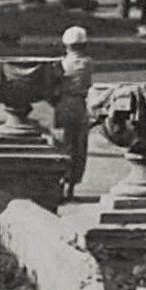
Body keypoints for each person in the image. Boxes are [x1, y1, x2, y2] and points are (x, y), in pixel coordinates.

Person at [54, 26, 94, 201]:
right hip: (80, 105)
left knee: (62, 144)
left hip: (63, 105)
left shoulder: (61, 64)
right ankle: (71, 188)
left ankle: (58, 185)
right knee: (79, 147)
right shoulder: (87, 63)